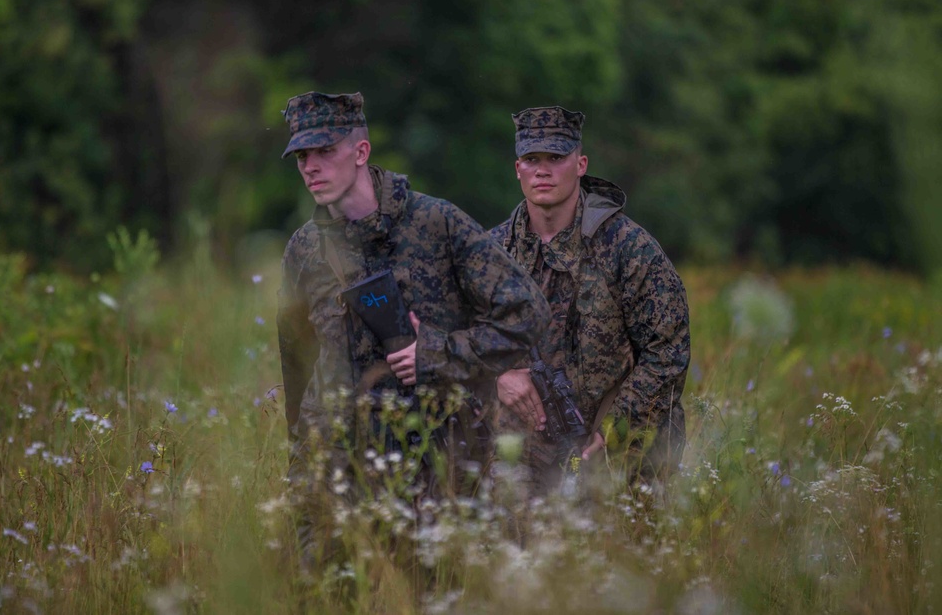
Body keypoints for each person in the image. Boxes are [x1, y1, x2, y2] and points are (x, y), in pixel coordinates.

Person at [276, 92, 550, 560]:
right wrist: (305, 456)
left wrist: (439, 352)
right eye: (302, 155)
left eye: (324, 151)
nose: (310, 167)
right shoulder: (305, 249)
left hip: (433, 469)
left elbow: (527, 314)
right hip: (336, 471)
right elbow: (297, 363)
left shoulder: (436, 224)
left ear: (361, 152)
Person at [491, 106, 690, 496]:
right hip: (524, 459)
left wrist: (613, 429)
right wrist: (497, 376)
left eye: (556, 158)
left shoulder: (629, 248)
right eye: (532, 159)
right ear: (518, 169)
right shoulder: (492, 252)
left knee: (627, 551)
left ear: (580, 164)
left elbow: (668, 352)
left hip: (622, 449)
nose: (543, 170)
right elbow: (453, 339)